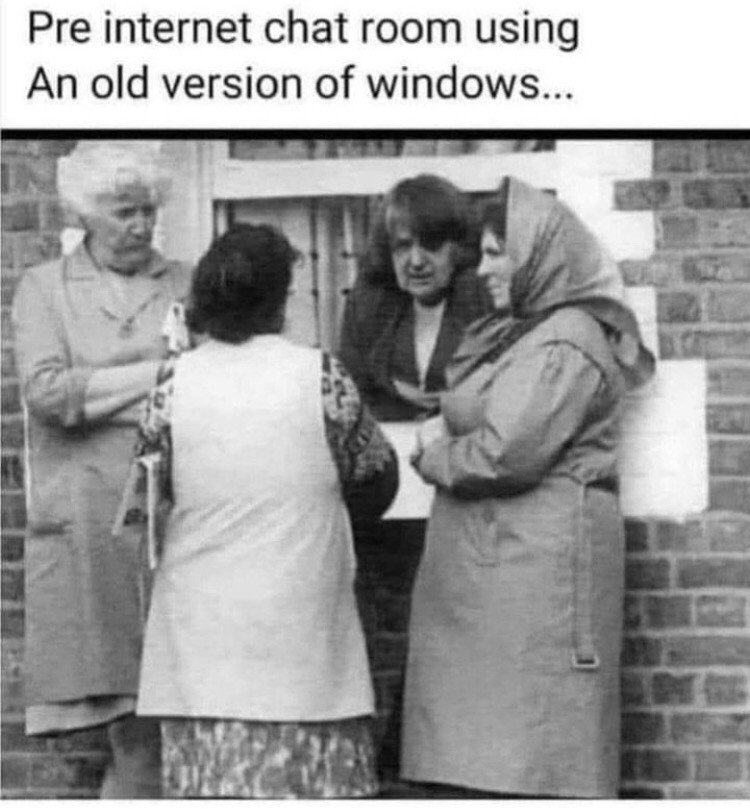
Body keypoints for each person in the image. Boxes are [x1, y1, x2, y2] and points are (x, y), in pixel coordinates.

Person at [121, 223, 399, 799]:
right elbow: (376, 477)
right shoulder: (320, 376)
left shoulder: (172, 384)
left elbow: (148, 492)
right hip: (300, 627)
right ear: (279, 298)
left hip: (204, 635)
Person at [401, 177, 656, 798]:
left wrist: (434, 456)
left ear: (539, 254)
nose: (482, 268)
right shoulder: (523, 331)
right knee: (496, 751)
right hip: (503, 565)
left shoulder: (567, 339)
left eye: (497, 253)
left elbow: (507, 453)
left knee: (532, 748)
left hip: (536, 572)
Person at [11, 141, 190, 797]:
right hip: (91, 521)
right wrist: (159, 376)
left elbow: (209, 384)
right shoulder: (46, 288)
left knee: (176, 707)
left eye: (148, 210)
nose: (141, 225)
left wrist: (100, 393)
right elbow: (48, 394)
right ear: (86, 214)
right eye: (124, 212)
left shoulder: (185, 281)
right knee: (128, 715)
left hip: (176, 516)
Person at [339, 174, 492, 422]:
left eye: (431, 245)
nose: (417, 261)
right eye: (403, 246)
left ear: (458, 248)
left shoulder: (484, 296)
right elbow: (353, 395)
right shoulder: (369, 301)